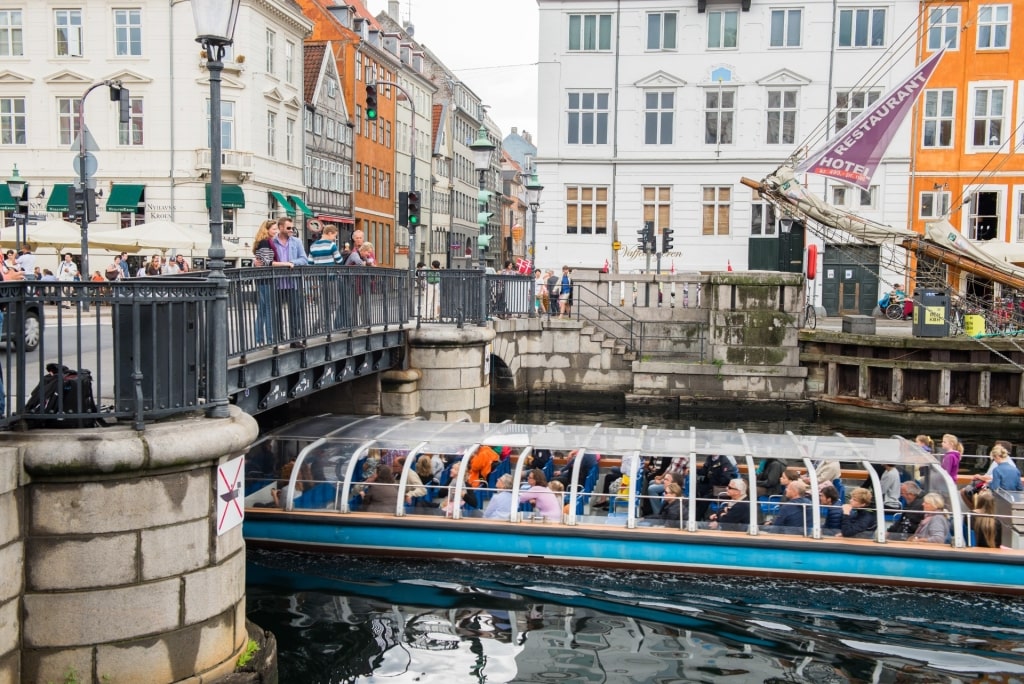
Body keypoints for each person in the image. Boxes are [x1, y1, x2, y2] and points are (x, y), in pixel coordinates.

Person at [269, 216, 309, 348]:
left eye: (292, 227)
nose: (291, 230)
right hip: (277, 282)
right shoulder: (271, 242)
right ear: (280, 228)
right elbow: (262, 258)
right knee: (277, 313)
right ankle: (279, 340)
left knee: (295, 311)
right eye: (288, 228)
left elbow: (304, 259)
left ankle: (294, 339)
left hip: (293, 282)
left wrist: (292, 262)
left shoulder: (296, 242)